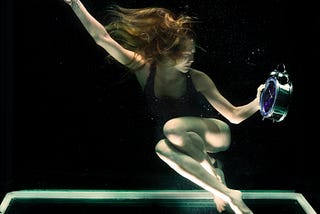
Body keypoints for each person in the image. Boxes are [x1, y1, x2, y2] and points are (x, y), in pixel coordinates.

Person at [63, 0, 264, 213]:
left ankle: (212, 171)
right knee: (161, 148)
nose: (191, 60)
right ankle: (226, 192)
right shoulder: (143, 69)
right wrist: (75, 3)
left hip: (215, 134)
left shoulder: (197, 78)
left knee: (171, 129)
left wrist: (260, 101)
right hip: (184, 140)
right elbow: (101, 38)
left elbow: (234, 115)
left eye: (193, 54)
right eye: (186, 55)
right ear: (168, 53)